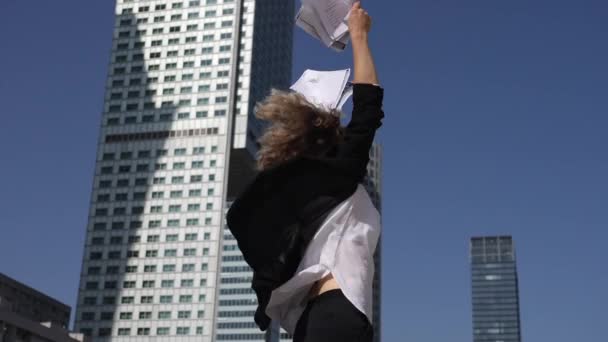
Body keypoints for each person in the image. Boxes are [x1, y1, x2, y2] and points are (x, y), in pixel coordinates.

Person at [226, 2, 383, 341]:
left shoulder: (304, 191)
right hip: (339, 313)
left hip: (310, 323)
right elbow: (368, 110)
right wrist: (358, 34)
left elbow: (238, 218)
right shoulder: (338, 177)